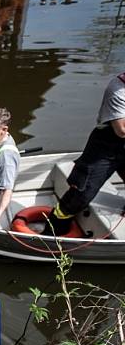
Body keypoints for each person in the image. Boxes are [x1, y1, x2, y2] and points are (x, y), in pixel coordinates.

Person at [46, 73, 125, 235]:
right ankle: (52, 233)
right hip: (106, 145)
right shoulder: (117, 89)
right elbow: (121, 130)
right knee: (81, 194)